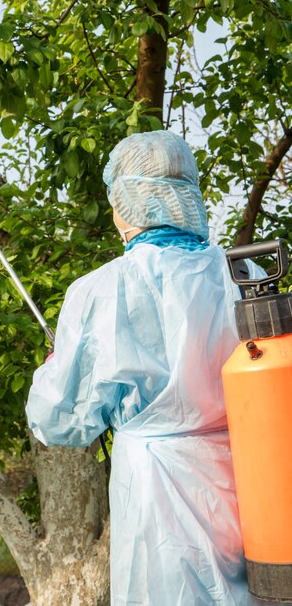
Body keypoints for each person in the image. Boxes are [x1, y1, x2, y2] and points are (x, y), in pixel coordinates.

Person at [25, 130, 272, 605]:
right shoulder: (246, 275)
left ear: (129, 202)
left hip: (157, 497)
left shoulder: (100, 291)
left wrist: (55, 366)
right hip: (251, 483)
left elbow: (57, 420)